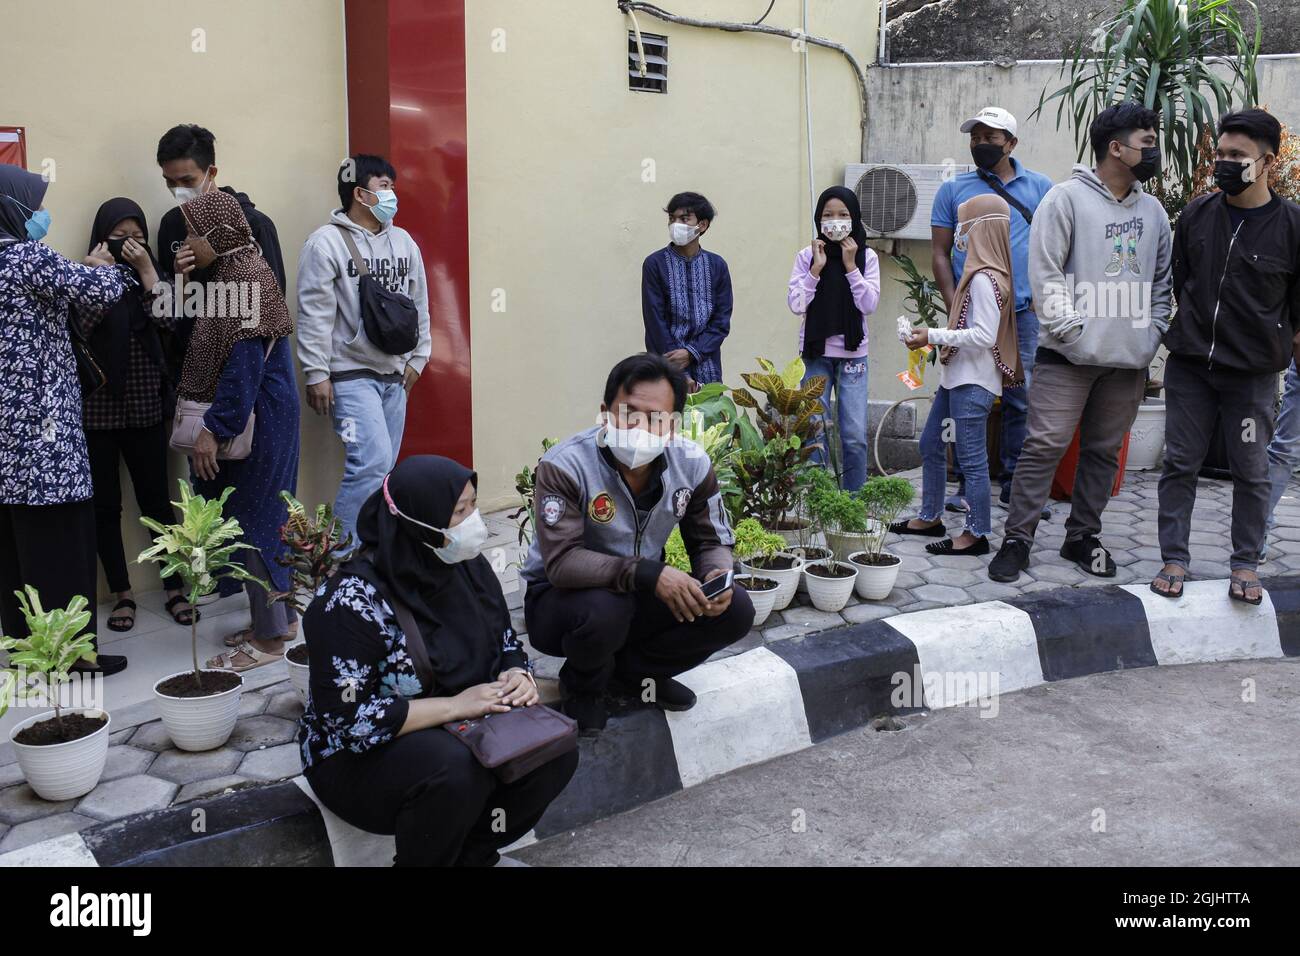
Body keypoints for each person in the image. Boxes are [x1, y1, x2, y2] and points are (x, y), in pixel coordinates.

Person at [298, 455, 578, 867]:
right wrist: (456, 705)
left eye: (474, 505)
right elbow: (349, 720)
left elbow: (504, 642)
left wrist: (517, 674)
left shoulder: (467, 567)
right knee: (456, 768)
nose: (473, 520)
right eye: (459, 511)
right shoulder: (351, 602)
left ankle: (473, 857)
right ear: (417, 521)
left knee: (553, 752)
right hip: (357, 757)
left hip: (463, 725)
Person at [520, 354, 754, 733]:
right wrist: (649, 573)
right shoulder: (565, 465)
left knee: (736, 610)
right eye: (627, 413)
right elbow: (562, 563)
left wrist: (717, 575)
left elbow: (710, 539)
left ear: (674, 424)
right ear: (603, 412)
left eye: (655, 418)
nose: (638, 427)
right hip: (562, 599)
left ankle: (634, 673)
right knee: (605, 609)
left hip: (639, 591)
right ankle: (583, 687)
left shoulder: (691, 464)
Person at [988, 103, 1172, 583]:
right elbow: (1045, 272)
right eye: (1146, 143)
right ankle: (1017, 540)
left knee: (1104, 451)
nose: (1153, 152)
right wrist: (1075, 332)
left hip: (1128, 362)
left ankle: (1081, 537)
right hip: (1066, 358)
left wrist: (1150, 336)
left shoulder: (1153, 211)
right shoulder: (1065, 199)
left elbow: (1160, 283)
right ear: (1116, 147)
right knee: (1043, 444)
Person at [1154, 108, 1300, 603]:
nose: (1224, 163)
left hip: (1252, 377)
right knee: (1180, 463)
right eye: (1220, 153)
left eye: (1237, 155)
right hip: (1191, 367)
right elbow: (1182, 279)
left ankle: (1244, 564)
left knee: (1251, 471)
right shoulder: (1197, 213)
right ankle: (1174, 557)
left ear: (1267, 162)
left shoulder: (1292, 226)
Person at [0, 165, 133, 675]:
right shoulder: (24, 256)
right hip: (44, 429)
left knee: (16, 545)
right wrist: (108, 265)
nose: (40, 214)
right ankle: (71, 658)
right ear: (12, 208)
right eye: (32, 205)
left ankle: (25, 649)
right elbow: (104, 290)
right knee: (60, 541)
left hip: (10, 433)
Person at [167, 190, 301, 672]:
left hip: (256, 419)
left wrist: (211, 431)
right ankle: (281, 621)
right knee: (267, 515)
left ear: (216, 233)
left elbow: (242, 367)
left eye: (192, 232)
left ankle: (267, 642)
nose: (187, 241)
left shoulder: (243, 277)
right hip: (268, 415)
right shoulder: (237, 270)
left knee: (254, 521)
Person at [72, 198, 197, 633]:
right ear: (101, 237)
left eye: (137, 237)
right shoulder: (82, 275)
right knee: (105, 508)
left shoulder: (156, 276)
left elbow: (169, 324)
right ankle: (122, 594)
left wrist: (147, 272)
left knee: (157, 504)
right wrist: (95, 276)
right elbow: (80, 329)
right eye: (119, 236)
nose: (129, 244)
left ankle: (174, 587)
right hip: (98, 412)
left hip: (145, 406)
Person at [296, 154, 431, 545]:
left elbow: (418, 300)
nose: (393, 194)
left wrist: (419, 358)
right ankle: (342, 556)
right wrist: (316, 373)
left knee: (384, 468)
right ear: (360, 193)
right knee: (369, 463)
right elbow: (314, 313)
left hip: (395, 374)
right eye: (384, 186)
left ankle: (374, 550)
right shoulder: (325, 243)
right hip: (350, 374)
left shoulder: (403, 240)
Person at [931, 107, 1053, 508]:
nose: (981, 145)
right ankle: (967, 487)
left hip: (1022, 315)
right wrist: (956, 310)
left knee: (1021, 398)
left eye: (991, 138)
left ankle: (1015, 487)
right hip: (971, 314)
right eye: (976, 138)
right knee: (970, 396)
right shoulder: (953, 190)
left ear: (1011, 143)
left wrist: (1038, 302)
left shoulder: (1041, 188)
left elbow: (1053, 248)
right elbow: (939, 254)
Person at [893, 195, 1022, 556]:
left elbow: (983, 336)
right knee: (931, 445)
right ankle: (930, 515)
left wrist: (932, 335)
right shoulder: (983, 276)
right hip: (957, 380)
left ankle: (976, 534)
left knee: (971, 460)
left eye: (965, 228)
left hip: (973, 383)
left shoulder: (984, 279)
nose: (959, 236)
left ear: (983, 231)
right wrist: (932, 335)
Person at [154, 124, 286, 384]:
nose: (179, 190)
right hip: (192, 366)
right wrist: (183, 278)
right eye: (170, 182)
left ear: (211, 172)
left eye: (188, 181)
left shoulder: (255, 225)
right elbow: (172, 309)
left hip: (243, 367)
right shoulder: (171, 224)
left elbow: (273, 304)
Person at [787, 185, 881, 491]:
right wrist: (816, 270)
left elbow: (868, 306)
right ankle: (819, 503)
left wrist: (852, 267)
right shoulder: (806, 256)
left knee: (853, 434)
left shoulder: (867, 257)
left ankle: (852, 504)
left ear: (854, 218)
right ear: (818, 219)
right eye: (828, 215)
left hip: (854, 357)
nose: (835, 221)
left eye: (843, 214)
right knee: (815, 431)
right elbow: (796, 305)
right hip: (815, 356)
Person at [642, 191, 733, 388]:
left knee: (709, 418)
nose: (676, 224)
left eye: (684, 219)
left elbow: (721, 322)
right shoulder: (655, 264)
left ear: (702, 225)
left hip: (707, 367)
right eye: (672, 218)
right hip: (665, 367)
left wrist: (692, 353)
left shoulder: (717, 266)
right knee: (668, 418)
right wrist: (679, 371)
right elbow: (655, 321)